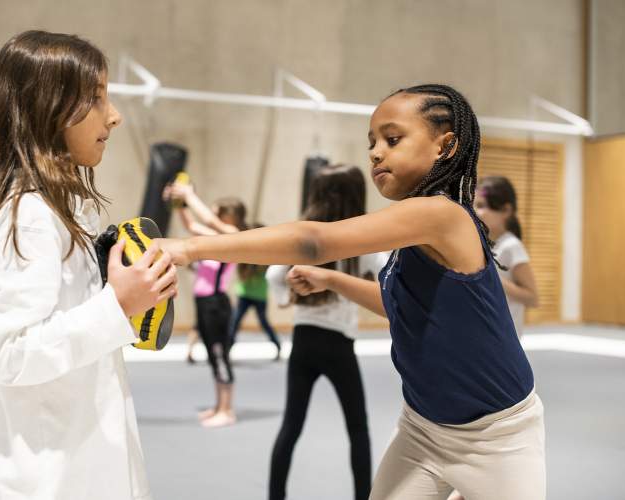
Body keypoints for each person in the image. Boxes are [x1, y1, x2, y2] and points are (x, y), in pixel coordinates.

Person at [158, 84, 546, 500]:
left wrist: (187, 247)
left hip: (497, 438)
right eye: (372, 143)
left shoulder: (441, 215)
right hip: (424, 428)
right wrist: (332, 280)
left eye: (393, 139)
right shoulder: (411, 231)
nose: (377, 152)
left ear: (445, 146)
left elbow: (315, 241)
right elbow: (399, 309)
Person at [0, 31, 177, 500]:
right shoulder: (30, 213)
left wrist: (126, 304)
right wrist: (117, 305)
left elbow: (70, 333)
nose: (114, 115)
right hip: (46, 479)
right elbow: (7, 353)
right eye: (95, 98)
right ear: (45, 108)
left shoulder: (63, 208)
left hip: (82, 462)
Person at [266, 164, 386, 500]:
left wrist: (289, 297)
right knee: (357, 429)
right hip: (338, 344)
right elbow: (386, 273)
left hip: (304, 339)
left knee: (291, 426)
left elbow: (272, 276)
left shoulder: (305, 238)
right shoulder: (362, 240)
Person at [167, 182, 246, 427]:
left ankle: (227, 410)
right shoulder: (216, 238)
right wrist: (178, 203)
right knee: (213, 356)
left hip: (216, 304)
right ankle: (219, 406)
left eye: (215, 211)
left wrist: (190, 195)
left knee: (220, 355)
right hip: (204, 303)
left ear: (228, 216)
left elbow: (211, 223)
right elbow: (191, 225)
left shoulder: (233, 235)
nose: (211, 214)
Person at [474, 176, 539, 336]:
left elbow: (533, 298)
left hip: (504, 335)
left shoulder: (512, 246)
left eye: (481, 206)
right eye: (474, 205)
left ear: (506, 210)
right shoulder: (484, 244)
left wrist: (494, 278)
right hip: (486, 329)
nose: (475, 211)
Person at [230, 223, 282, 360]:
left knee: (263, 322)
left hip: (259, 294)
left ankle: (277, 345)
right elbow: (242, 275)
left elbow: (270, 270)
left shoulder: (268, 254)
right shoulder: (244, 253)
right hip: (245, 294)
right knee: (235, 321)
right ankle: (227, 348)